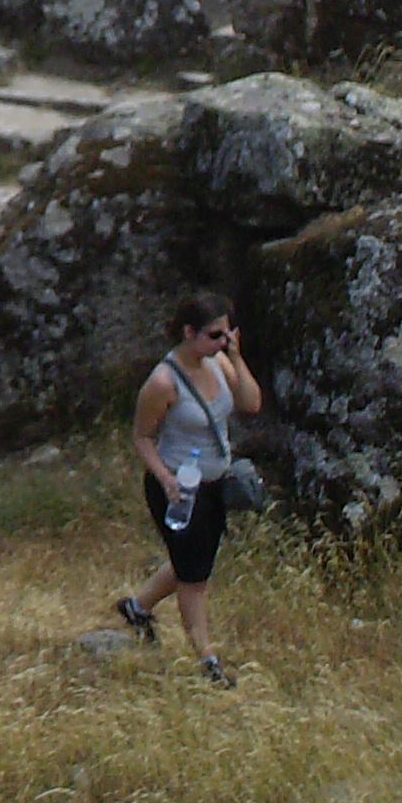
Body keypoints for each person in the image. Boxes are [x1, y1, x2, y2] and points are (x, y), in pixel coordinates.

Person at [114, 290, 263, 685]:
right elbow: (143, 437)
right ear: (188, 332)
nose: (222, 342)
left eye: (227, 335)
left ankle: (136, 607)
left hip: (214, 484)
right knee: (194, 579)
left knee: (195, 562)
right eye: (215, 336)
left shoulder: (219, 364)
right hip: (179, 489)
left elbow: (250, 403)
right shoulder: (163, 382)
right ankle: (208, 660)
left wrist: (235, 356)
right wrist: (166, 479)